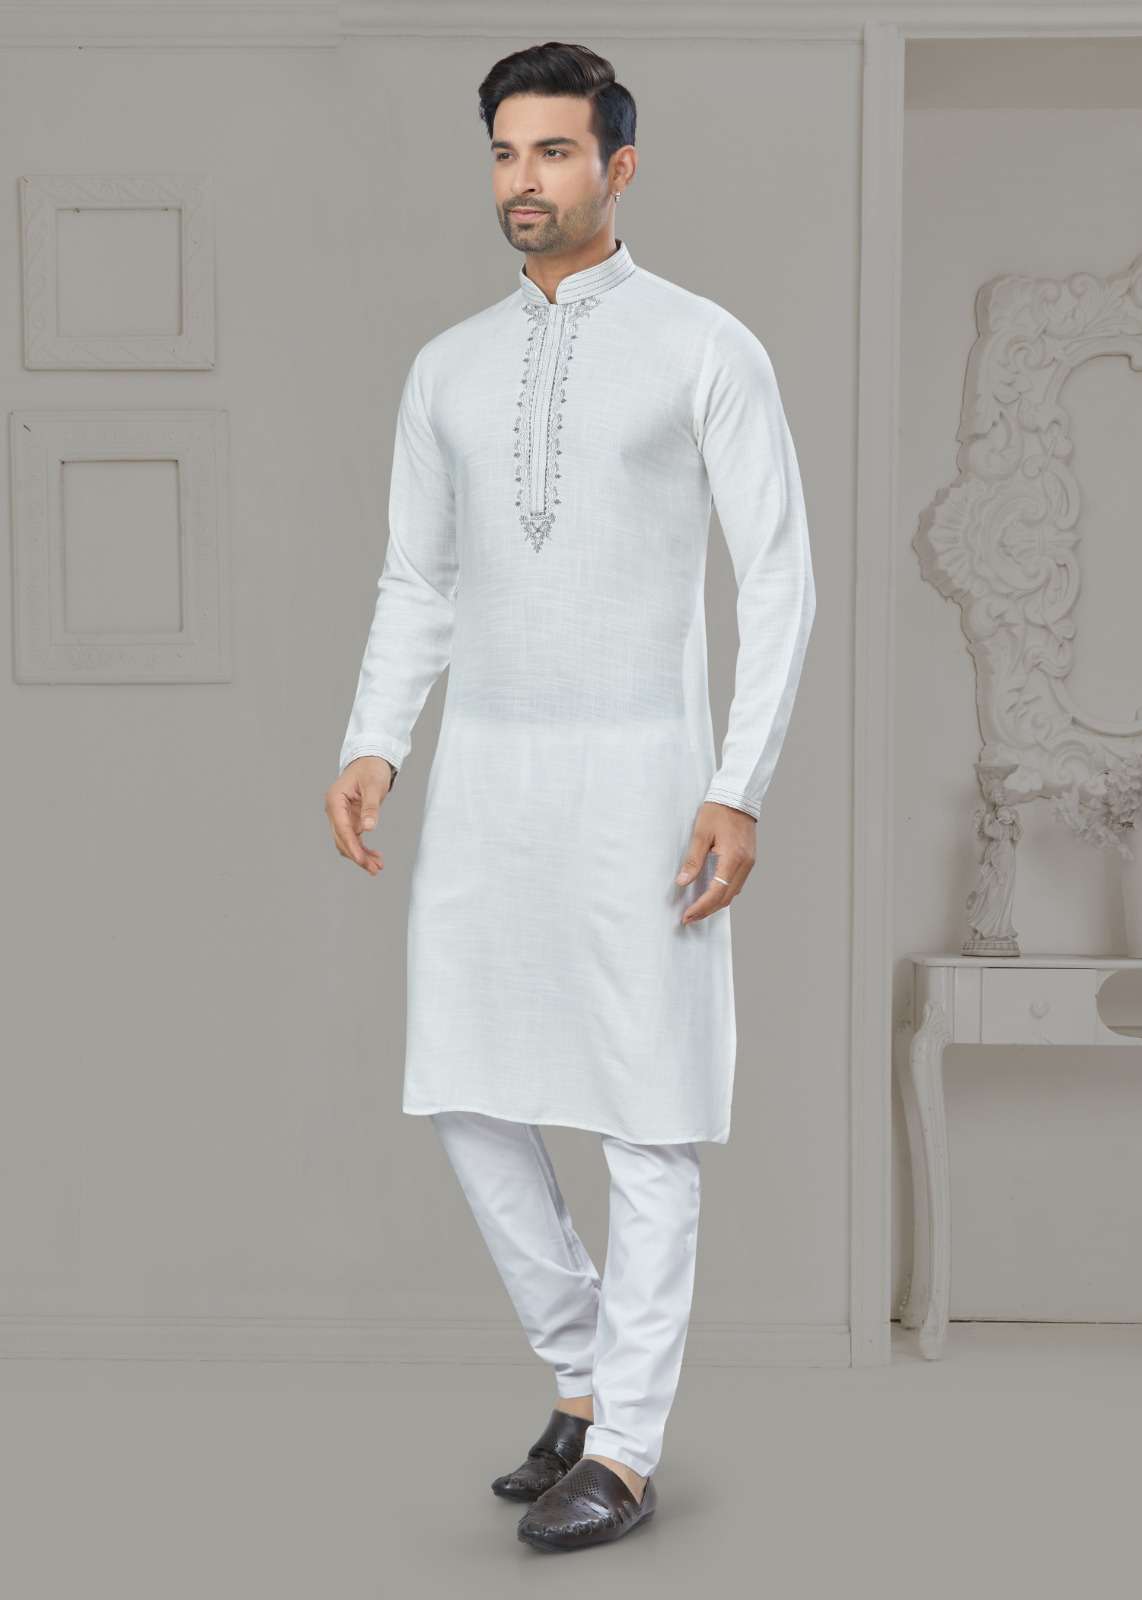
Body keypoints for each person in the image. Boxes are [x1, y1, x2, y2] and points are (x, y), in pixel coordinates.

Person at [325, 39, 816, 1553]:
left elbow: (779, 577)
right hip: (489, 776)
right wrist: (376, 739)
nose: (522, 180)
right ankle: (586, 1377)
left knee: (645, 1113)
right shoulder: (447, 367)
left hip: (645, 778)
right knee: (464, 1086)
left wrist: (738, 782)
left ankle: (629, 1448)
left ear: (618, 163)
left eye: (552, 150)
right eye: (503, 152)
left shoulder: (703, 346)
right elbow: (420, 578)